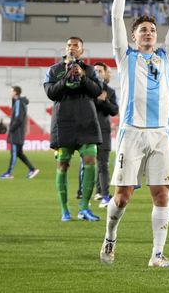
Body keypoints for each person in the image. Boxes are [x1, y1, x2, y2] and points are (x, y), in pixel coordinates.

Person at [101, 0, 169, 268]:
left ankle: (157, 254)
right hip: (132, 133)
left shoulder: (165, 57)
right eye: (143, 30)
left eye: (151, 30)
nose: (148, 33)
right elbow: (114, 20)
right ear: (134, 38)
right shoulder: (125, 58)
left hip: (161, 134)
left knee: (162, 194)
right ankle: (110, 236)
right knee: (122, 197)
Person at [44, 37, 103, 222]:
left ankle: (84, 208)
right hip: (63, 123)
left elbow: (97, 91)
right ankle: (64, 210)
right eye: (69, 45)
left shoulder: (90, 70)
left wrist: (82, 76)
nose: (72, 48)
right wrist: (66, 77)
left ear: (82, 51)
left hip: (86, 121)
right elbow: (51, 93)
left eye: (76, 46)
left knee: (90, 160)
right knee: (63, 164)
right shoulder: (54, 70)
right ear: (65, 48)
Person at [92, 61, 118, 208]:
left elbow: (114, 110)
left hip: (103, 131)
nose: (97, 73)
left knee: (102, 164)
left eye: (100, 71)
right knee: (88, 165)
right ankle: (95, 192)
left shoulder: (110, 91)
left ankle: (105, 196)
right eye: (94, 70)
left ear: (105, 73)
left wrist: (105, 100)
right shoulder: (87, 90)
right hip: (88, 131)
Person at [0, 86, 40, 180]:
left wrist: (11, 128)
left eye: (11, 91)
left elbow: (18, 118)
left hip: (16, 133)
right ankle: (32, 169)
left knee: (14, 153)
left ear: (16, 92)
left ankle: (9, 173)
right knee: (19, 153)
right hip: (20, 132)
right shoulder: (20, 102)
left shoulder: (18, 102)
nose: (10, 93)